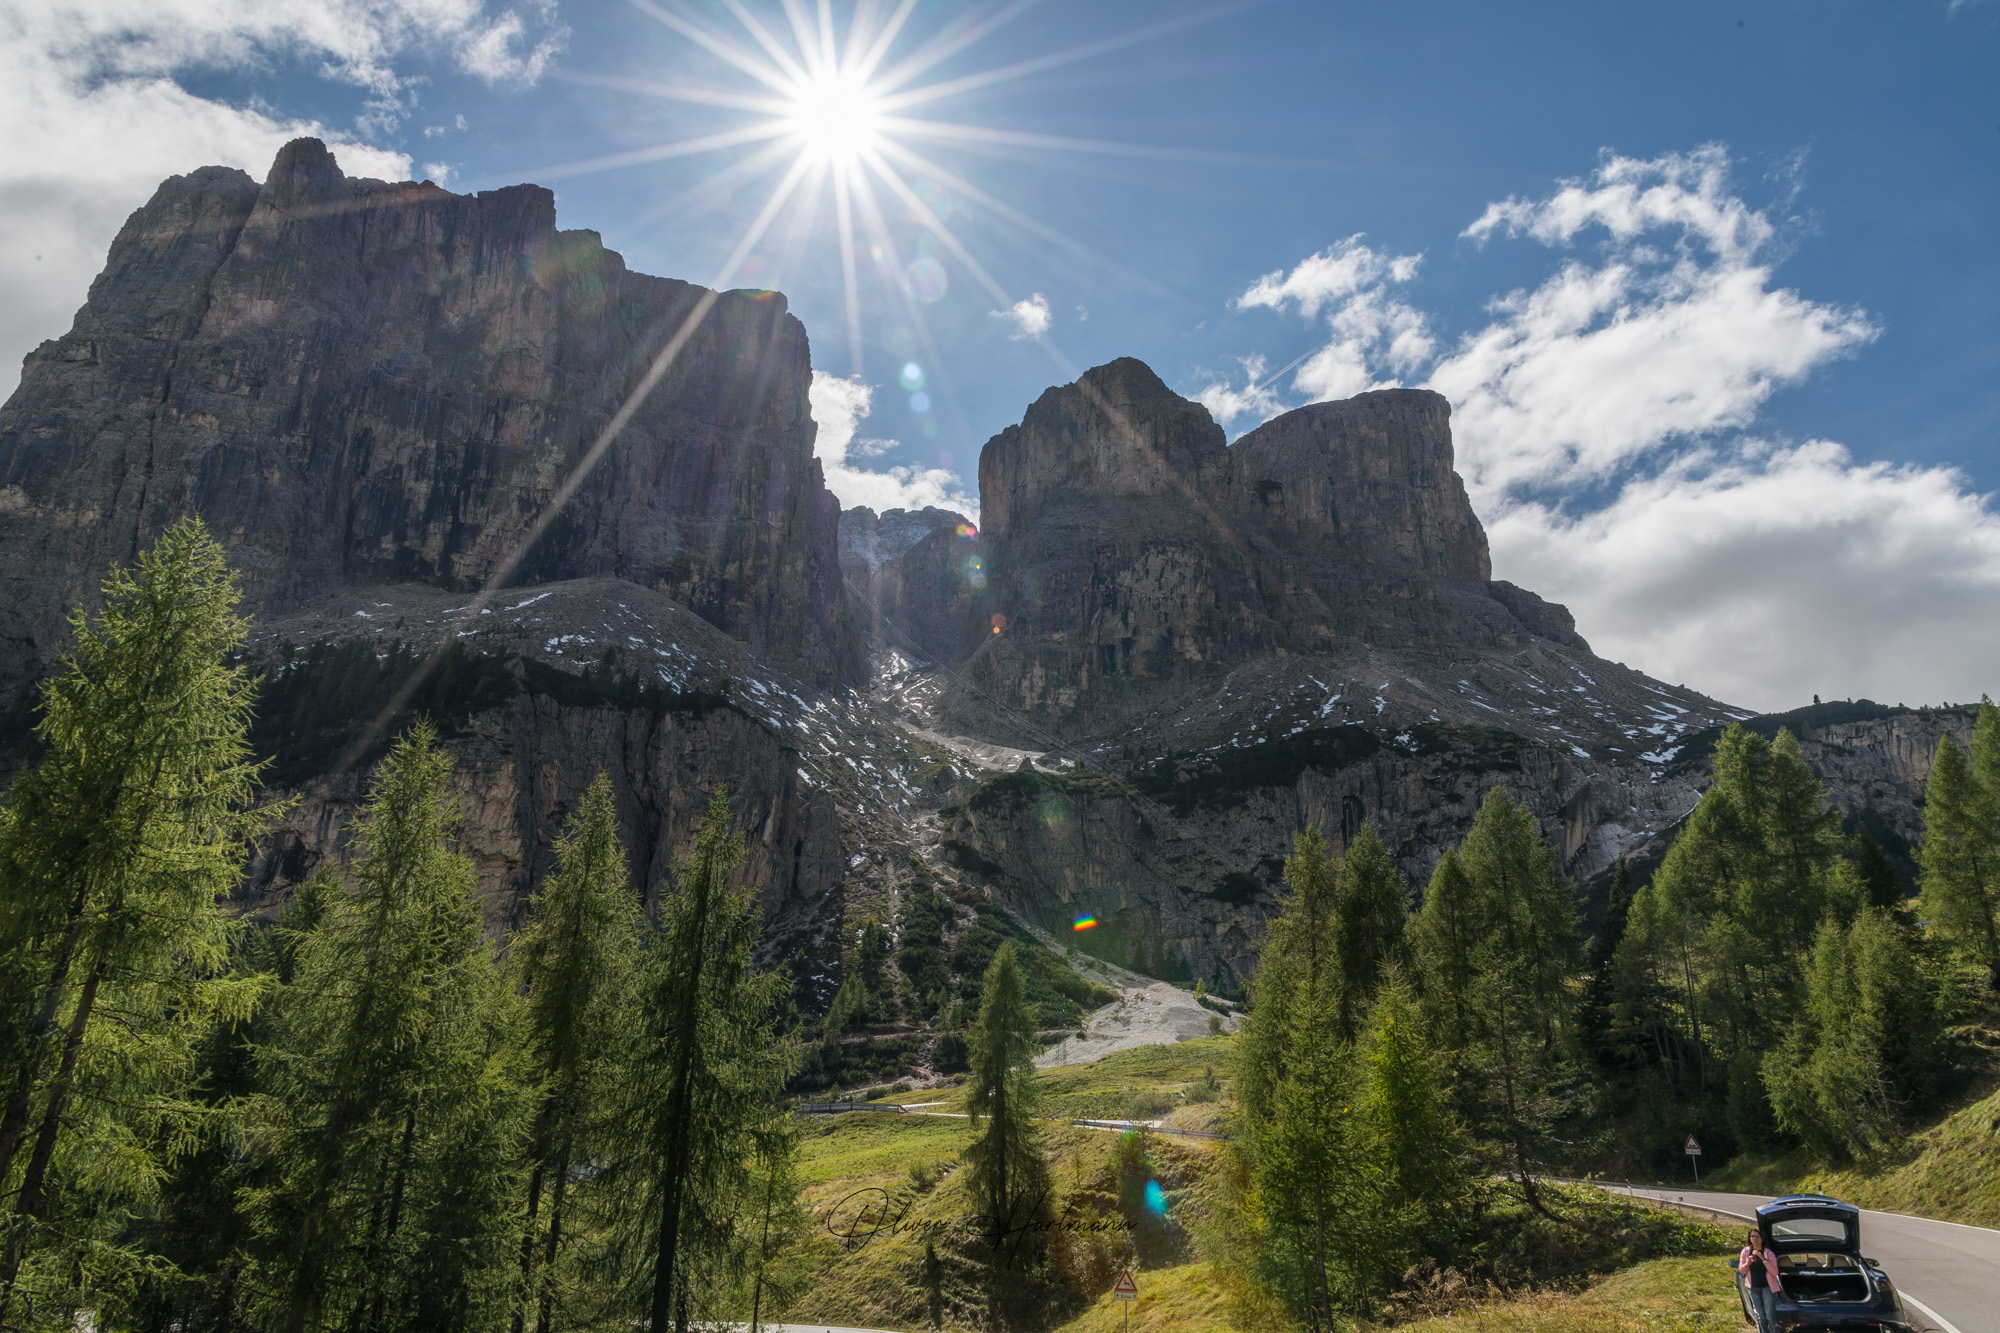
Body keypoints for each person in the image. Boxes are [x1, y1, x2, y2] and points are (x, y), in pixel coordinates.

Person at [1739, 1227, 1781, 1333]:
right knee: (1760, 1316)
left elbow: (1775, 1272)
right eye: (1752, 1236)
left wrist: (1763, 1259)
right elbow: (1742, 1271)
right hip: (1753, 1288)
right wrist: (1747, 1263)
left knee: (1770, 1316)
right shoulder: (1745, 1252)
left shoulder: (1768, 1253)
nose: (1755, 1239)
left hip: (1767, 1287)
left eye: (1757, 1236)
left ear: (1762, 1239)